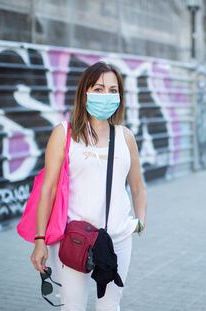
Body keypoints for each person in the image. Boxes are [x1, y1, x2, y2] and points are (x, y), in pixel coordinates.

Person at [30, 61, 147, 311]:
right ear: (84, 93)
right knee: (72, 306)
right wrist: (40, 240)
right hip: (74, 238)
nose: (106, 96)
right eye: (98, 89)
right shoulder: (64, 133)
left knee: (110, 305)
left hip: (117, 238)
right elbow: (48, 190)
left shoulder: (125, 136)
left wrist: (140, 220)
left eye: (113, 90)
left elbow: (137, 186)